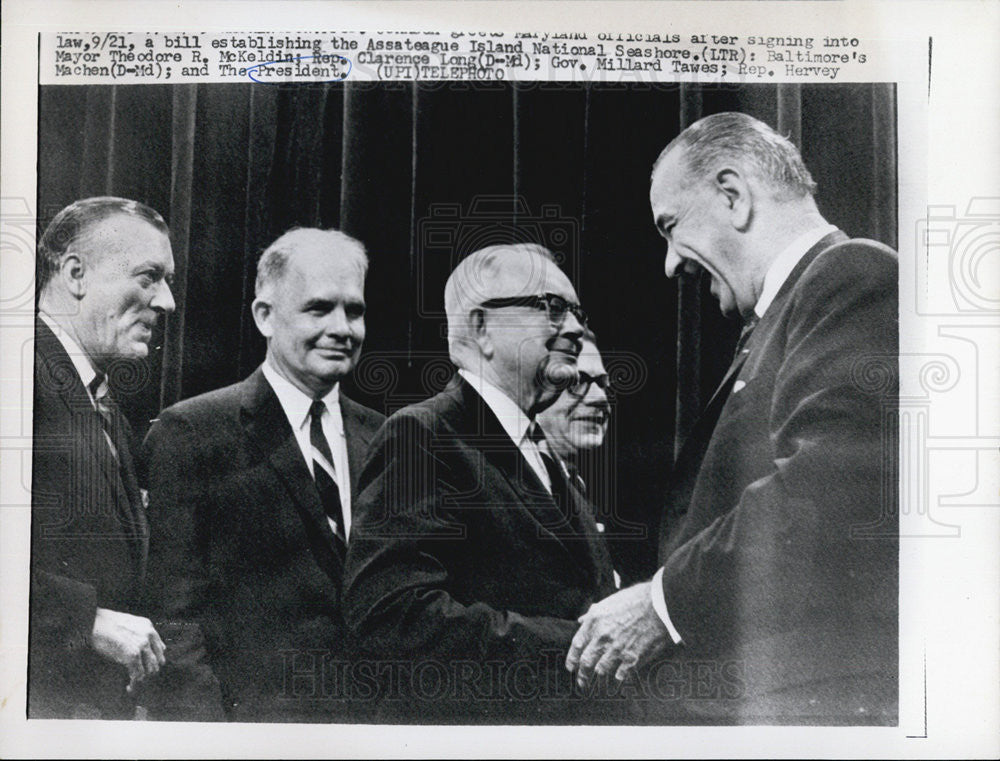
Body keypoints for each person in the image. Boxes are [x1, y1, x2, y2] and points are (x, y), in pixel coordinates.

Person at [566, 112, 899, 724]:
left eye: (671, 227)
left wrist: (661, 605)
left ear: (732, 195)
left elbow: (825, 488)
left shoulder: (851, 273)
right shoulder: (779, 315)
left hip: (808, 702)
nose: (670, 264)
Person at [342, 243, 622, 723]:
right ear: (481, 328)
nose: (575, 328)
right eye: (551, 308)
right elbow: (393, 617)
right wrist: (578, 645)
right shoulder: (423, 435)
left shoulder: (545, 456)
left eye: (577, 312)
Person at [141, 228, 385, 722]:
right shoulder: (192, 432)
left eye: (354, 311)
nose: (342, 328)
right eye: (319, 309)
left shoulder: (383, 436)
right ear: (265, 316)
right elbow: (174, 616)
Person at [30, 196, 175, 718]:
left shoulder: (103, 403)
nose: (167, 302)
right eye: (148, 277)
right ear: (75, 273)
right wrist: (82, 621)